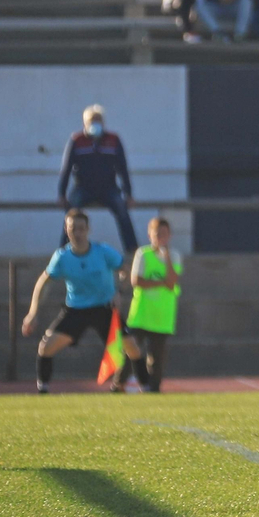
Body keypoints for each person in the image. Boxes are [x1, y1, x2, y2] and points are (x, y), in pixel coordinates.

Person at [22, 209, 143, 395]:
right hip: (76, 309)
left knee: (132, 347)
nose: (77, 233)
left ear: (88, 229)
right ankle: (43, 390)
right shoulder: (62, 256)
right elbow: (43, 282)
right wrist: (32, 312)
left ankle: (148, 389)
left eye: (81, 229)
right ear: (66, 230)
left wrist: (119, 292)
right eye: (73, 229)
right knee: (45, 347)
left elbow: (124, 270)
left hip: (104, 308)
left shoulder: (102, 251)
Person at [57, 105, 137, 254]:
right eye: (92, 121)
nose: (95, 123)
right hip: (83, 188)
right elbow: (66, 169)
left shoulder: (114, 140)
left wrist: (129, 194)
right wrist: (61, 194)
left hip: (109, 188)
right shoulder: (77, 140)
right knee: (72, 213)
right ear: (85, 123)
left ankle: (132, 251)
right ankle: (64, 252)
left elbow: (123, 169)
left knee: (122, 209)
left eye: (98, 120)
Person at [127, 217, 181, 393]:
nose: (161, 238)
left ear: (170, 236)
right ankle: (118, 384)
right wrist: (160, 283)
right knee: (131, 351)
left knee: (157, 358)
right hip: (141, 314)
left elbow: (172, 282)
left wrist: (166, 259)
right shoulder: (143, 254)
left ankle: (153, 389)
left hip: (162, 316)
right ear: (150, 235)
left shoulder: (174, 256)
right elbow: (137, 281)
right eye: (157, 234)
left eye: (164, 234)